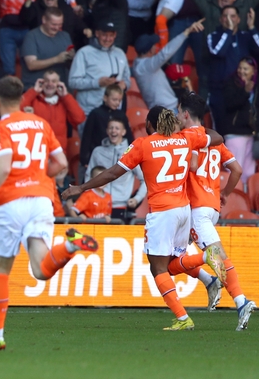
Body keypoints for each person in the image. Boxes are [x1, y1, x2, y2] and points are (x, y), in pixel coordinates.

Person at [62, 106, 225, 331]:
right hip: (183, 210)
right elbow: (217, 138)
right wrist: (197, 128)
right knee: (171, 264)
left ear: (149, 125)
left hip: (161, 212)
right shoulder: (185, 137)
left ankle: (183, 316)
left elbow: (112, 173)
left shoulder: (143, 144)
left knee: (158, 270)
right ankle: (205, 267)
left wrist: (81, 187)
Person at [0, 76, 99, 350]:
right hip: (41, 199)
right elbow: (61, 163)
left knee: (1, 270)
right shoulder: (42, 124)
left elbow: (2, 167)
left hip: (9, 203)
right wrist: (38, 177)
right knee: (41, 269)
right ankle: (70, 245)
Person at [176, 91, 255, 330]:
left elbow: (193, 165)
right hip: (210, 207)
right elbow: (238, 171)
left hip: (197, 208)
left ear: (186, 113)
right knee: (173, 257)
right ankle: (209, 280)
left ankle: (241, 301)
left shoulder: (185, 138)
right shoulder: (215, 141)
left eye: (179, 111)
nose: (177, 115)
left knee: (217, 256)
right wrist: (225, 194)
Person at [133, 19, 205, 111]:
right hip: (166, 111)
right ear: (151, 50)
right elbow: (165, 53)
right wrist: (186, 32)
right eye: (154, 45)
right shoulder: (146, 66)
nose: (156, 46)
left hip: (164, 110)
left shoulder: (138, 64)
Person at [85, 117, 146, 221]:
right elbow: (88, 178)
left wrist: (137, 199)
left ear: (123, 132)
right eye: (111, 128)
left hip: (121, 207)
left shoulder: (131, 153)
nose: (113, 131)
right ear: (107, 131)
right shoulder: (98, 152)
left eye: (117, 128)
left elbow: (145, 180)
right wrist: (91, 197)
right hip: (98, 206)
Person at [68, 21, 130, 116]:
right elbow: (73, 82)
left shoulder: (120, 53)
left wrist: (124, 85)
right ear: (97, 34)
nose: (107, 39)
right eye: (104, 35)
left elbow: (127, 80)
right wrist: (97, 83)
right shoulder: (84, 53)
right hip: (90, 110)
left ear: (115, 35)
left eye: (111, 35)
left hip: (115, 110)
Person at [21, 70, 85, 155]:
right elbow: (16, 109)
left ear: (59, 84)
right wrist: (34, 91)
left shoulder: (64, 102)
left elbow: (79, 118)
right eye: (46, 81)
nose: (50, 84)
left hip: (58, 151)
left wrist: (66, 96)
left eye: (54, 81)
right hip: (36, 151)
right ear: (41, 82)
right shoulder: (33, 99)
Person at [220, 57, 258, 183]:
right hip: (235, 133)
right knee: (235, 172)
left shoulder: (256, 86)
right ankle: (230, 201)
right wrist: (245, 91)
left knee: (248, 173)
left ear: (253, 71)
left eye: (246, 69)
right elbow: (230, 104)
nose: (242, 71)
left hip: (250, 133)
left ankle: (245, 201)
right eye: (240, 68)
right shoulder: (231, 82)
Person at [79, 84, 132, 168]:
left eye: (119, 100)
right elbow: (87, 137)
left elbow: (129, 137)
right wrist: (85, 159)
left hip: (117, 157)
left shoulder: (121, 115)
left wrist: (132, 154)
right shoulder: (95, 113)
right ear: (105, 98)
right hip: (98, 156)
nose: (117, 103)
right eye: (114, 100)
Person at [20, 7, 74, 90]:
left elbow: (70, 64)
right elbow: (31, 65)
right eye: (53, 24)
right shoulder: (31, 37)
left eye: (60, 24)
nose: (57, 28)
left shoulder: (65, 36)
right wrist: (56, 59)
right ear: (44, 20)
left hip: (60, 88)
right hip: (37, 89)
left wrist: (71, 57)